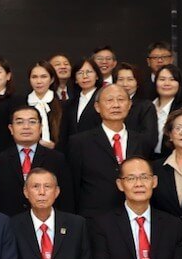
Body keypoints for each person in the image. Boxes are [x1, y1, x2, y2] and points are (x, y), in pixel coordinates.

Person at [67, 85, 156, 217]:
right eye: (109, 100)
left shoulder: (142, 141)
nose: (116, 105)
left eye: (121, 100)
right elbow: (72, 186)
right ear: (97, 107)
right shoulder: (80, 142)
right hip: (94, 218)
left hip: (133, 216)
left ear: (129, 104)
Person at [0, 106, 75, 215]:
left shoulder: (57, 159)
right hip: (9, 221)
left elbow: (66, 199)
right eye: (19, 122)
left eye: (32, 122)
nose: (26, 127)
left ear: (40, 127)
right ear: (11, 128)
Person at [59, 58, 103, 149]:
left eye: (89, 72)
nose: (85, 76)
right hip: (73, 152)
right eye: (80, 73)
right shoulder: (69, 104)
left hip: (97, 149)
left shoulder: (104, 99)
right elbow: (64, 135)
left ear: (97, 76)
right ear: (75, 79)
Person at [150, 64, 182, 156]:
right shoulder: (146, 106)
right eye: (162, 79)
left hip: (174, 158)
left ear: (179, 84)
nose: (167, 83)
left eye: (172, 79)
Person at [113, 63, 159, 145]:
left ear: (137, 82)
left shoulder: (146, 106)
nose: (125, 84)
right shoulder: (108, 104)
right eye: (120, 79)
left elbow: (150, 138)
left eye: (130, 79)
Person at [24, 61, 62, 151]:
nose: (39, 81)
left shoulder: (62, 105)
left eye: (43, 77)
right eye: (34, 77)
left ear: (52, 79)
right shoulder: (22, 104)